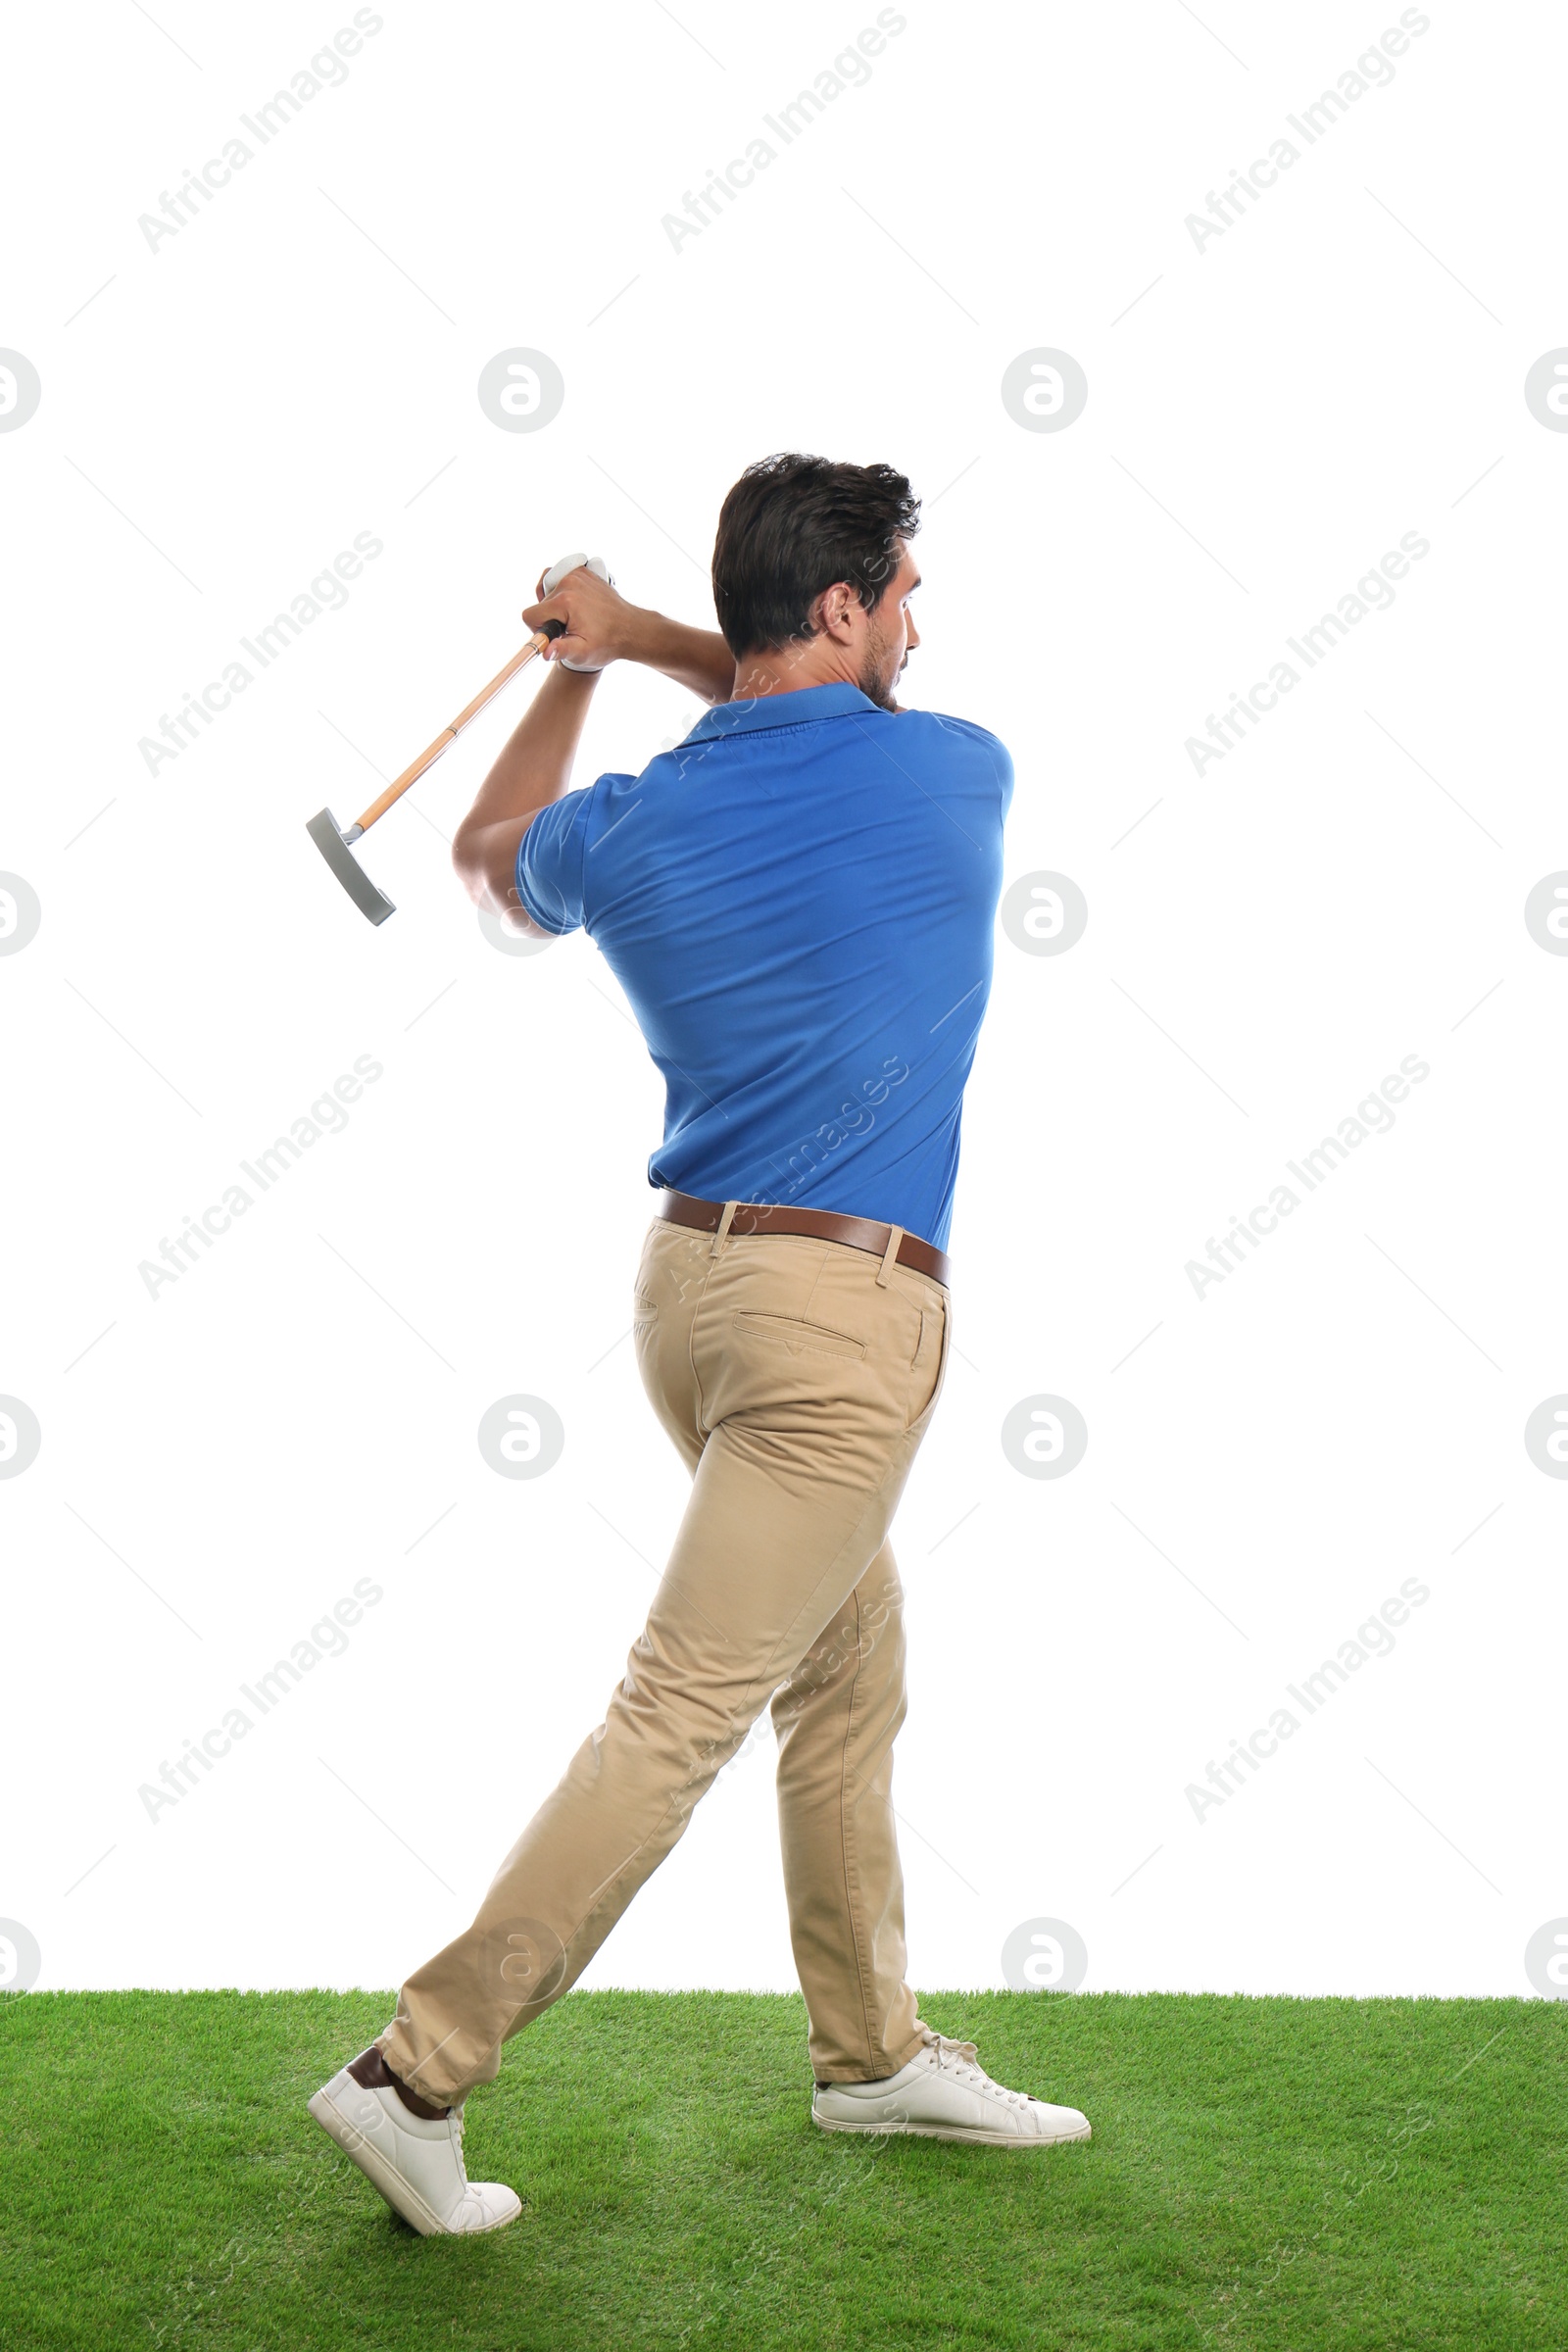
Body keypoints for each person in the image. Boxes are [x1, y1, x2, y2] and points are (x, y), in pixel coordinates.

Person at [308, 454, 1091, 2235]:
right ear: (842, 608)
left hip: (693, 1304)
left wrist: (582, 667)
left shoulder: (630, 822)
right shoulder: (950, 768)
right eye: (900, 589)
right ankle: (417, 2066)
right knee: (681, 1713)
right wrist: (639, 629)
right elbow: (789, 695)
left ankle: (871, 2053)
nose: (916, 618)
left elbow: (486, 863)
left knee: (851, 1662)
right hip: (841, 1325)